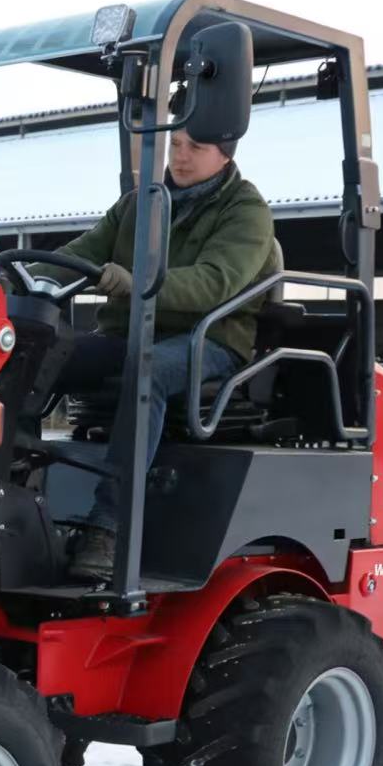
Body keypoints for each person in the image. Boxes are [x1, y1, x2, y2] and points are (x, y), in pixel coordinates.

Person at [47, 127, 278, 581]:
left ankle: (108, 527)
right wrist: (12, 273)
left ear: (225, 154)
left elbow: (215, 281)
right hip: (133, 333)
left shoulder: (246, 211)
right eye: (176, 145)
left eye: (197, 146)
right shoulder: (140, 203)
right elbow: (82, 251)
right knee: (41, 356)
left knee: (147, 372)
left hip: (210, 340)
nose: (182, 155)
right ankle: (5, 498)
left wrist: (139, 283)